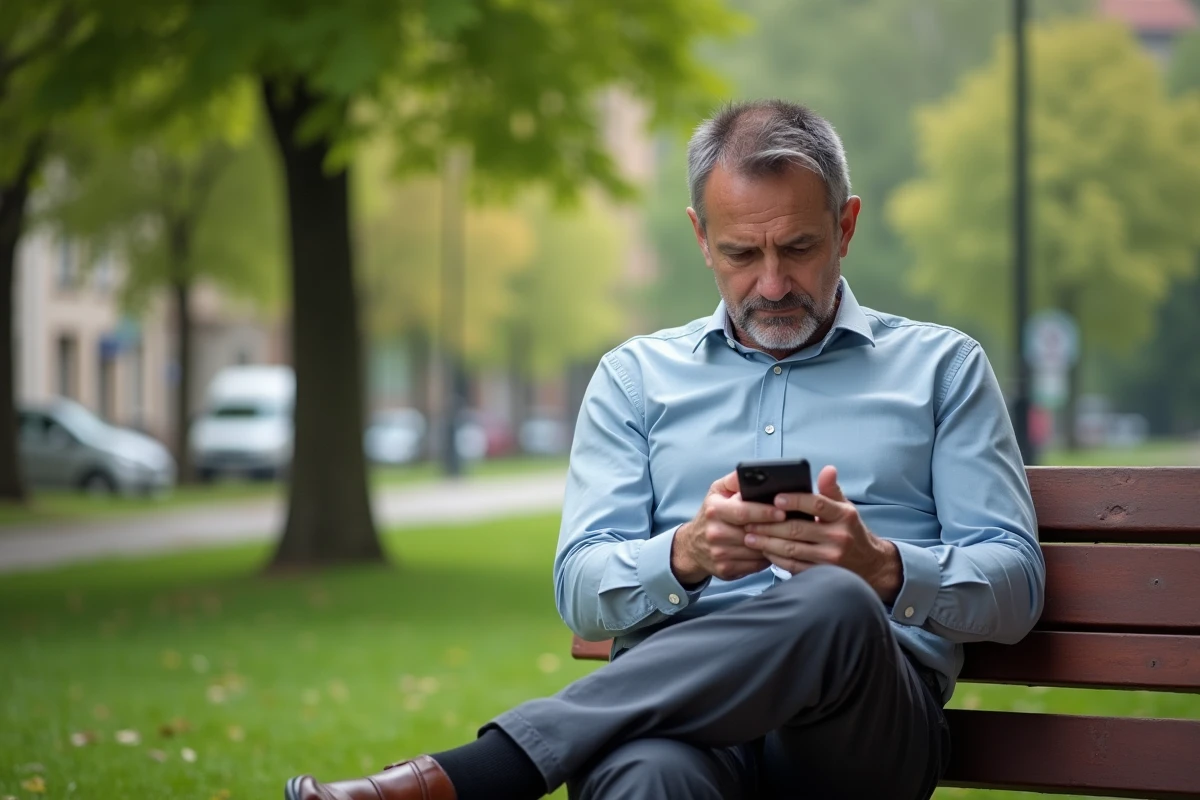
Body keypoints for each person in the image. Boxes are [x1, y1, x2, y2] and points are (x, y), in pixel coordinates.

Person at [286, 99, 1046, 800]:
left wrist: (881, 568)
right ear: (699, 238)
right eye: (743, 253)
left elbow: (1015, 585)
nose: (773, 283)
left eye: (799, 248)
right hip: (681, 729)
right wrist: (683, 554)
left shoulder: (942, 369)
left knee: (836, 600)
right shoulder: (635, 380)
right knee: (645, 774)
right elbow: (581, 588)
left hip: (861, 733)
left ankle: (483, 775)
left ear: (845, 227)